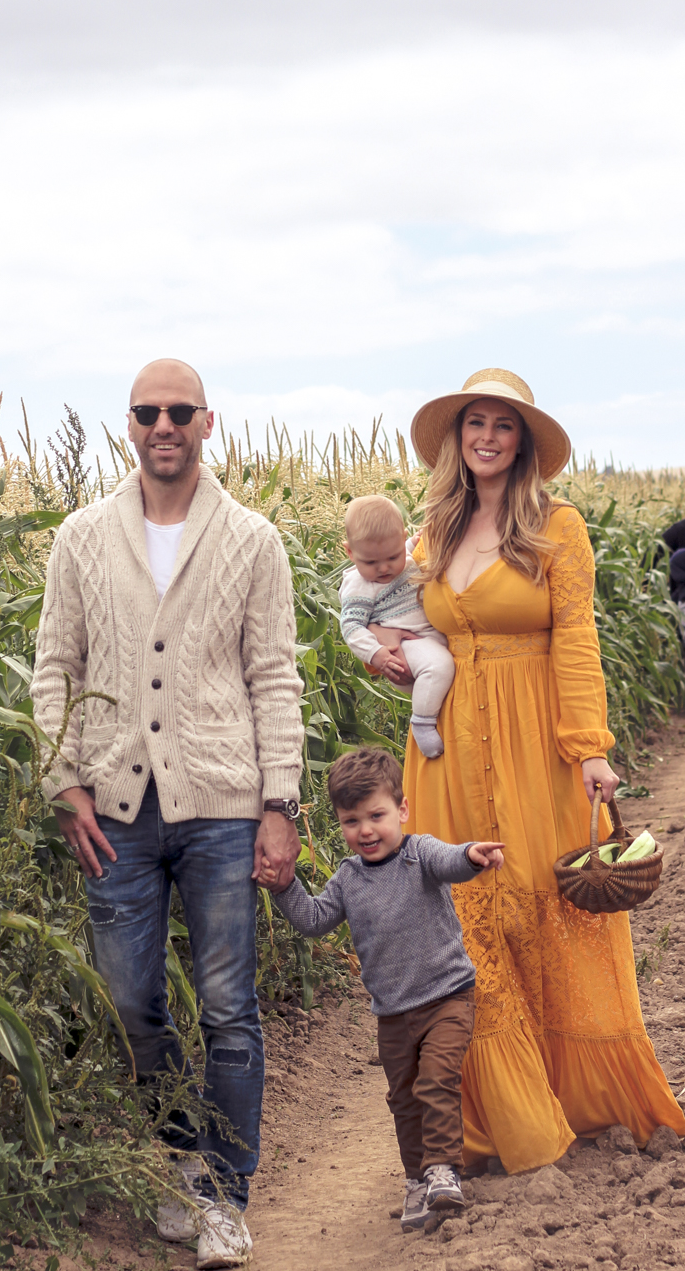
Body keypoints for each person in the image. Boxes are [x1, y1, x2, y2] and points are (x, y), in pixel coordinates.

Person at [30, 358, 304, 1270]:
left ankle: (228, 1198)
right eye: (147, 412)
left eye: (179, 411)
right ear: (131, 424)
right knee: (128, 1001)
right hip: (113, 807)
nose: (163, 425)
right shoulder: (80, 537)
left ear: (207, 422)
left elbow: (274, 675)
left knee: (230, 1006)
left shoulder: (252, 539)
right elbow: (54, 669)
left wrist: (281, 803)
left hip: (224, 807)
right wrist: (58, 781)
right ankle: (185, 1158)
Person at [390, 367, 685, 1173]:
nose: (486, 437)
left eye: (503, 425)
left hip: (532, 737)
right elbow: (420, 638)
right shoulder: (432, 532)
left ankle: (573, 1092)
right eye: (474, 422)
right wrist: (401, 664)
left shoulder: (558, 527)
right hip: (449, 742)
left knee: (542, 906)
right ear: (457, 437)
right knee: (467, 916)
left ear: (523, 443)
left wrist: (589, 746)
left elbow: (578, 638)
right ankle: (503, 1114)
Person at [266, 747, 504, 1232]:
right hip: (393, 1013)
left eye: (376, 815)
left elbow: (451, 861)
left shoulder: (421, 855)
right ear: (339, 823)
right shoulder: (349, 879)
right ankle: (418, 1179)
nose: (366, 830)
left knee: (436, 1079)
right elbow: (313, 920)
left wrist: (472, 856)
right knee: (402, 1098)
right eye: (352, 821)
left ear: (403, 810)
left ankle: (442, 1170)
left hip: (447, 997)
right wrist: (284, 886)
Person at [339, 494, 456, 758]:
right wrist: (376, 654)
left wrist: (417, 541)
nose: (383, 568)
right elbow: (351, 627)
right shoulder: (359, 585)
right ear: (349, 552)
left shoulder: (401, 554)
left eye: (392, 557)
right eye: (370, 562)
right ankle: (423, 723)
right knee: (440, 666)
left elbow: (408, 548)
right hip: (404, 650)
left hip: (425, 640)